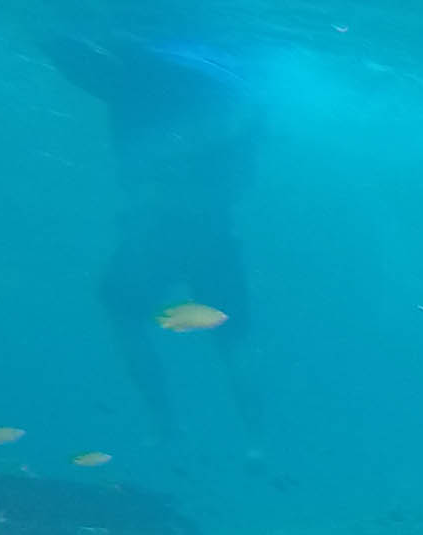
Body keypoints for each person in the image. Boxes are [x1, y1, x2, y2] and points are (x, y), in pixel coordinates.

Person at [44, 30, 266, 439]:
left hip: (156, 228)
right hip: (209, 229)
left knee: (124, 312)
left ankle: (168, 424)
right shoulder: (229, 98)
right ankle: (255, 436)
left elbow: (63, 48)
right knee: (231, 337)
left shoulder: (138, 78)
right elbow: (241, 163)